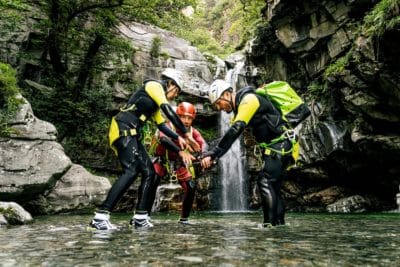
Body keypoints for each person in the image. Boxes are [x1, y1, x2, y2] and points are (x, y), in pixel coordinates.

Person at [90, 68, 198, 230]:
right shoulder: (154, 86)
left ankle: (140, 217)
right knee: (131, 170)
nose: (176, 96)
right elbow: (169, 111)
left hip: (133, 135)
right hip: (123, 129)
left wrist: (179, 138)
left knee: (150, 173)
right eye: (177, 91)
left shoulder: (154, 104)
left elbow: (161, 125)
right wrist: (186, 134)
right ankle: (100, 217)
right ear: (170, 84)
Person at [201, 79, 295, 227]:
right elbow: (232, 135)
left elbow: (235, 130)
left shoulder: (249, 100)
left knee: (264, 181)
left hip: (280, 145)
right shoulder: (241, 106)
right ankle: (279, 226)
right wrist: (214, 155)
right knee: (273, 186)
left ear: (226, 94)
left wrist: (214, 153)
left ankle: (268, 225)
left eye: (218, 103)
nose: (219, 108)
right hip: (279, 146)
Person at [148, 102, 206, 224]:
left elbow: (203, 143)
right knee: (152, 182)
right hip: (161, 160)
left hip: (178, 163)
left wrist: (205, 156)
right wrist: (180, 151)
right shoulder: (168, 126)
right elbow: (163, 139)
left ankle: (184, 219)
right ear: (177, 117)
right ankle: (144, 215)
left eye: (189, 118)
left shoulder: (192, 132)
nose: (186, 120)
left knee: (191, 186)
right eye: (183, 117)